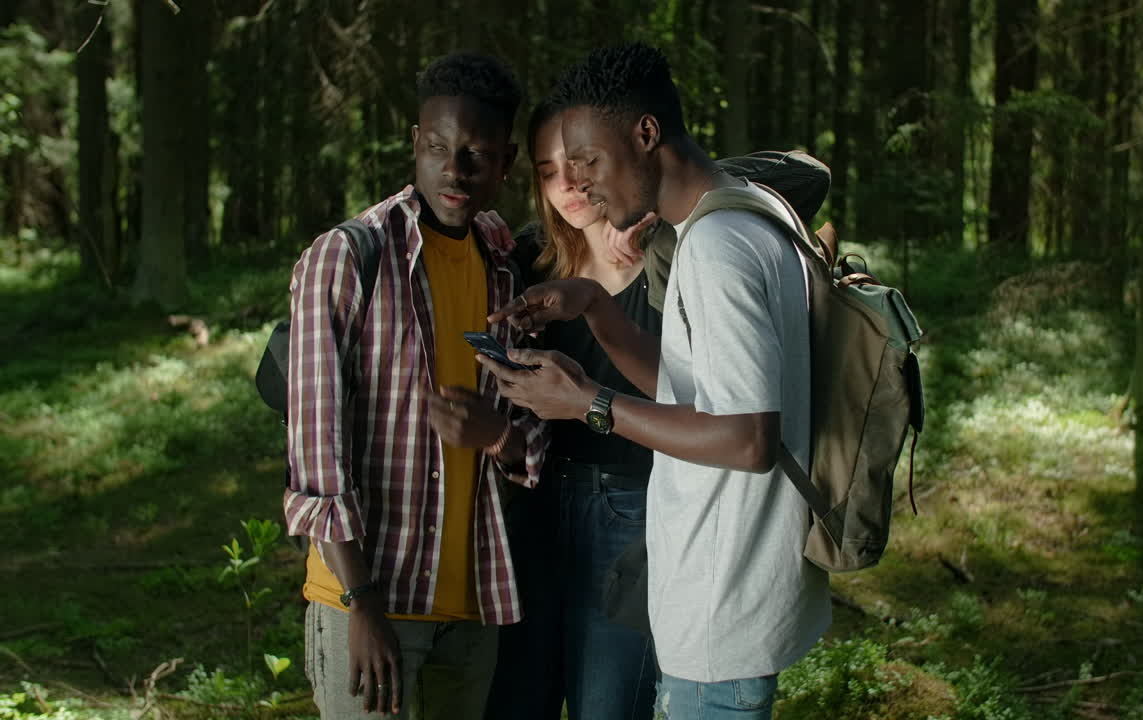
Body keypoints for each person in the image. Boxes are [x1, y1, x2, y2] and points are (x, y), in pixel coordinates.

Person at [477, 43, 830, 719]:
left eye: (590, 160)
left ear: (645, 134)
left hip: (718, 613)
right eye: (564, 167)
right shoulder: (748, 213)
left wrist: (588, 404)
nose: (581, 184)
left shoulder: (717, 247)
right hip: (727, 603)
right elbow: (696, 391)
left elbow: (749, 440)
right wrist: (600, 311)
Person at [283, 52, 547, 720]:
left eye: (476, 155)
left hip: (473, 606)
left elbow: (529, 428)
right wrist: (362, 603)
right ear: (414, 143)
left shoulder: (502, 267)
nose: (454, 171)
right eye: (437, 148)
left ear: (506, 160)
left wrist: (504, 439)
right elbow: (317, 454)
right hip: (372, 602)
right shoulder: (348, 258)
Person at [484, 101, 662, 720]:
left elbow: (800, 178)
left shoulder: (671, 256)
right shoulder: (528, 257)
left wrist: (652, 213)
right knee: (515, 699)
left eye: (580, 161)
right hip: (533, 506)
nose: (567, 183)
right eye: (545, 169)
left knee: (608, 707)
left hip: (635, 513)